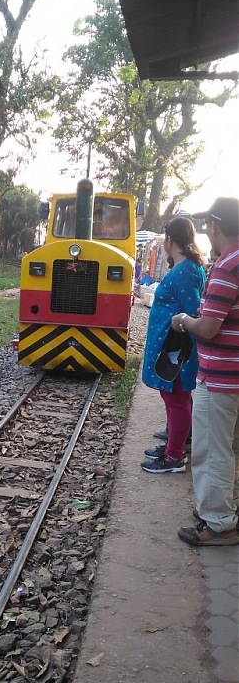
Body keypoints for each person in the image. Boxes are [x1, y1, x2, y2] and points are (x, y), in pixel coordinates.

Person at [171, 197, 239, 546]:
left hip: (220, 377)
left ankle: (218, 524)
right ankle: (225, 512)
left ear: (214, 225)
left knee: (212, 450)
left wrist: (184, 321)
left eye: (207, 225)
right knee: (227, 448)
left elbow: (209, 326)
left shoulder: (228, 265)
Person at [141, 217, 206, 473]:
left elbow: (192, 312)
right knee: (173, 396)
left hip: (176, 348)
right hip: (171, 345)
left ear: (170, 239)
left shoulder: (185, 271)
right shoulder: (185, 268)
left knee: (176, 398)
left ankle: (174, 458)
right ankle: (175, 443)